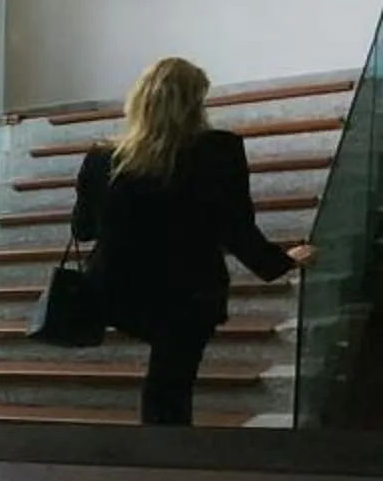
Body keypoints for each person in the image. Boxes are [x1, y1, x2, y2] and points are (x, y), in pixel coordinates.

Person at [71, 55, 314, 427]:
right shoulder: (219, 152)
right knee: (171, 386)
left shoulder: (102, 158)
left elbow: (83, 230)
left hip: (118, 293)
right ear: (194, 104)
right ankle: (167, 466)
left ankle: (155, 467)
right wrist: (282, 261)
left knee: (165, 382)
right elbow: (237, 230)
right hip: (188, 295)